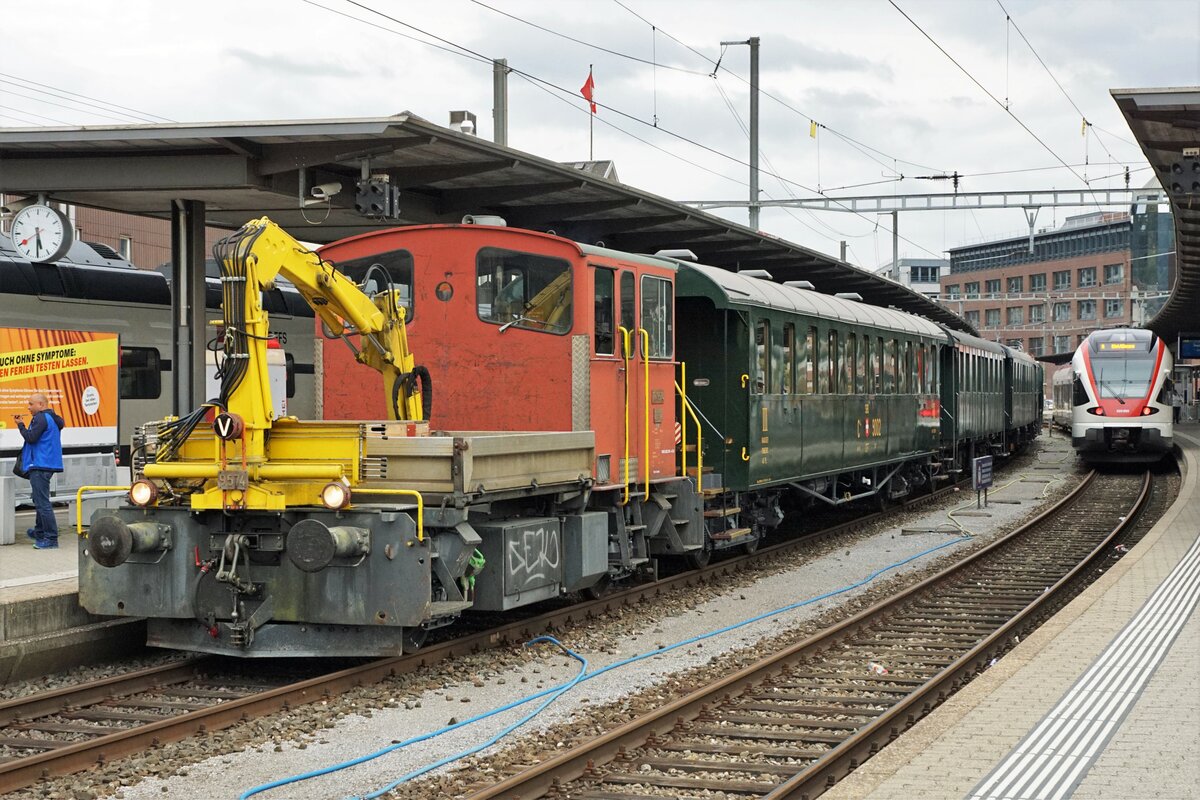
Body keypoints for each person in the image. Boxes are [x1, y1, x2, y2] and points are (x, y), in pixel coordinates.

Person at [14, 392, 66, 550]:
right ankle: (40, 532)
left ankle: (50, 538)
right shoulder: (52, 418)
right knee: (39, 500)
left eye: (31, 404)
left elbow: (31, 437)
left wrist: (20, 425)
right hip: (48, 463)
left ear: (41, 405)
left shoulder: (40, 418)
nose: (28, 407)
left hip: (40, 464)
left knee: (43, 503)